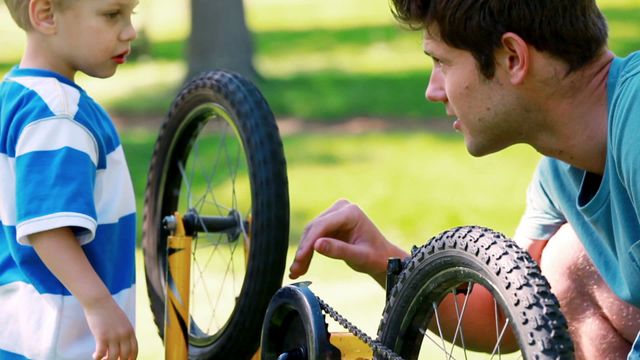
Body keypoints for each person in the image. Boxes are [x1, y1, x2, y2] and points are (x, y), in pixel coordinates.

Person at [288, 0, 640, 358]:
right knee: (563, 265)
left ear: (513, 58)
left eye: (441, 62)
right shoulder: (558, 172)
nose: (433, 90)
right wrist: (382, 259)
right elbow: (504, 313)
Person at [0, 0, 139, 359]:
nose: (130, 31)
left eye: (131, 14)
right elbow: (47, 226)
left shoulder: (15, 95)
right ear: (45, 14)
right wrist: (99, 305)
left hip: (18, 330)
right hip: (59, 341)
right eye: (112, 15)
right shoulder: (59, 114)